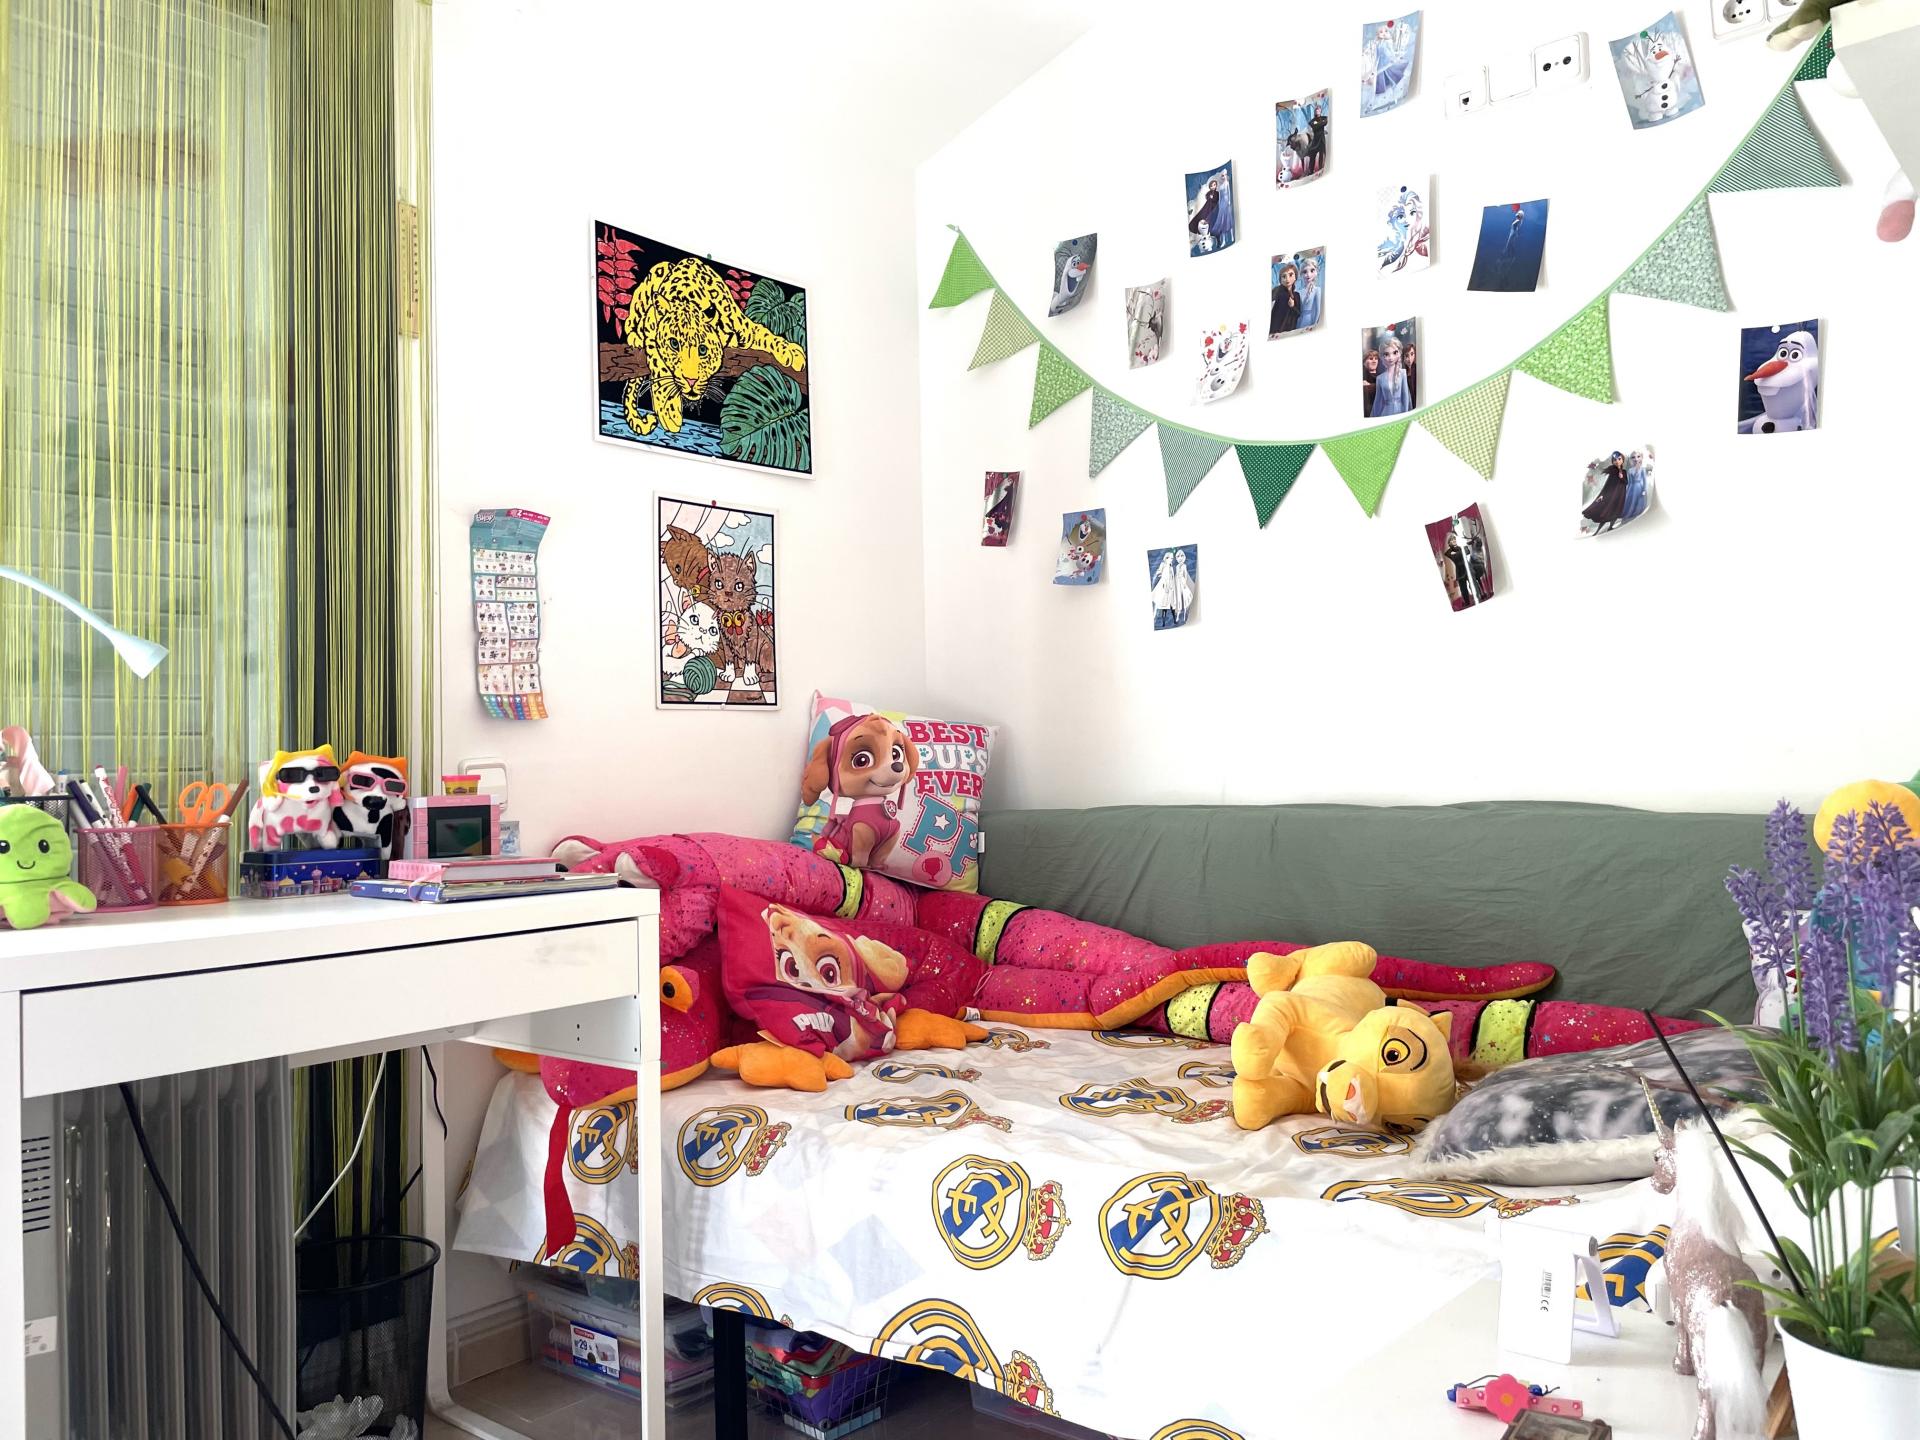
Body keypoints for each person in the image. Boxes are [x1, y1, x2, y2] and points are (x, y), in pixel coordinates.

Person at [1582, 451, 1632, 533]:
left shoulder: (1624, 472)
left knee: (1616, 511)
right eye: (1615, 460)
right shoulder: (1612, 470)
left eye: (1619, 459)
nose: (1617, 461)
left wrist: (1622, 477)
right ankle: (1597, 531)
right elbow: (1607, 483)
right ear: (1613, 461)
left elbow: (1626, 482)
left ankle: (1610, 527)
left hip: (1620, 495)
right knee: (1607, 512)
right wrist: (1603, 494)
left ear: (1622, 460)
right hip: (1612, 494)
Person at [1370, 332, 1411, 417]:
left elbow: (1405, 397)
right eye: (1386, 354)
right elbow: (1378, 401)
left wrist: (1406, 414)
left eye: (1394, 353)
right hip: (1386, 413)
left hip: (1401, 412)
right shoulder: (1380, 378)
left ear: (1399, 353)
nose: (1391, 357)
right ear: (1382, 356)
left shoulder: (1402, 373)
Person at [1188, 177, 1221, 253]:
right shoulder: (1209, 192)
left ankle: (1208, 236)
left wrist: (1212, 199)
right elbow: (1207, 196)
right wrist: (1209, 198)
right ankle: (1199, 234)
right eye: (1212, 186)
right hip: (1206, 207)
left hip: (1213, 208)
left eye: (1214, 185)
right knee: (1201, 217)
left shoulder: (1217, 193)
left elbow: (1216, 200)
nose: (1213, 187)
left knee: (1209, 220)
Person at [1269, 261, 1299, 336]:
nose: (1287, 279)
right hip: (1276, 329)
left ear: (1295, 277)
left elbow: (1298, 313)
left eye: (1291, 275)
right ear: (1280, 280)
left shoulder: (1296, 295)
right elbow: (1274, 312)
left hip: (1290, 329)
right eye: (1284, 276)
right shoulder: (1277, 293)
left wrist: (1292, 306)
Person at [1297, 254, 1322, 331]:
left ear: (1316, 272)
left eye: (1312, 270)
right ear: (1301, 274)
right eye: (1305, 272)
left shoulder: (1317, 290)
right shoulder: (1299, 292)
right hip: (1299, 321)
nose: (1308, 275)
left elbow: (1317, 310)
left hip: (1310, 320)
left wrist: (1314, 324)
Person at [1361, 347, 1379, 415]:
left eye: (1376, 359)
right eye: (1371, 359)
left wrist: (1370, 386)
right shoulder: (1362, 377)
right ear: (1364, 362)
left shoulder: (1382, 377)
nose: (1374, 361)